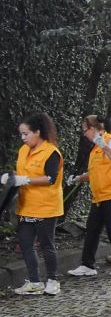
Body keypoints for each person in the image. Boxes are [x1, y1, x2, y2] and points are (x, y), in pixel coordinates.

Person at [66, 115, 111, 278]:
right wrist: (78, 178)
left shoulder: (109, 141)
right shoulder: (95, 148)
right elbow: (96, 171)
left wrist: (103, 145)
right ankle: (87, 265)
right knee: (92, 229)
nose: (84, 134)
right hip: (100, 195)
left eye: (85, 130)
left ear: (94, 129)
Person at [5, 113, 63, 295]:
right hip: (26, 206)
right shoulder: (24, 150)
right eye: (21, 134)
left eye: (26, 134)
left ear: (37, 132)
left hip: (46, 206)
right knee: (26, 244)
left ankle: (53, 280)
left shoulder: (51, 152)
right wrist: (12, 177)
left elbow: (50, 178)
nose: (23, 138)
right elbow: (23, 171)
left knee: (47, 244)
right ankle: (34, 282)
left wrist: (25, 180)